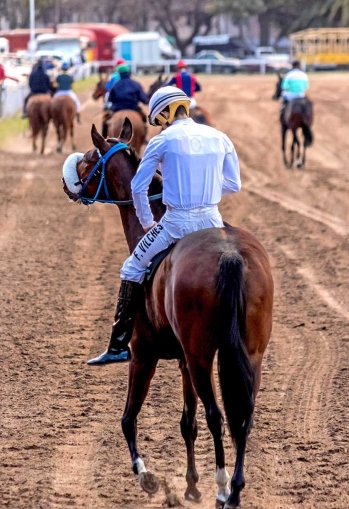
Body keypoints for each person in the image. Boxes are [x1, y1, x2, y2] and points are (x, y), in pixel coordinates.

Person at [87, 86, 241, 365]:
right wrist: (203, 192)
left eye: (161, 120)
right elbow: (234, 184)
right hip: (213, 221)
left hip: (176, 224)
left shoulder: (162, 141)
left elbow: (137, 188)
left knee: (131, 267)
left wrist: (146, 222)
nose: (161, 126)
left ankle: (119, 345)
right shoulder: (219, 136)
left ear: (166, 114)